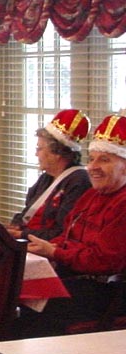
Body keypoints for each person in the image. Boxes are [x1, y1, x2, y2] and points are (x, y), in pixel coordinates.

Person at [16, 114, 126, 338]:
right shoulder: (91, 195)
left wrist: (55, 252)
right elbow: (67, 236)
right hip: (75, 278)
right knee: (8, 292)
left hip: (105, 293)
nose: (93, 167)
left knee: (20, 312)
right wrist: (46, 246)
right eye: (92, 159)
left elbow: (103, 260)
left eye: (104, 160)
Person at [7, 109, 91, 240]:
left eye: (39, 149)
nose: (36, 154)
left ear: (57, 153)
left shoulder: (79, 182)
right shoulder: (46, 177)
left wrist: (22, 234)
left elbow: (62, 231)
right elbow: (27, 213)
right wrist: (15, 226)